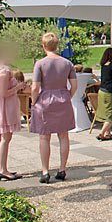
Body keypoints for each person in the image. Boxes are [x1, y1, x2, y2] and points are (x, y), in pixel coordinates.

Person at [31, 32, 77, 184]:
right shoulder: (67, 63)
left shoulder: (40, 63)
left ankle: (45, 171)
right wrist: (67, 96)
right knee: (63, 136)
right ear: (57, 45)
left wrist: (33, 101)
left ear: (43, 45)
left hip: (45, 99)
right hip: (63, 98)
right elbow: (74, 86)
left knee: (44, 136)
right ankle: (62, 169)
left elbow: (35, 87)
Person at [0, 47, 25, 181]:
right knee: (5, 138)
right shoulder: (4, 70)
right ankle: (3, 170)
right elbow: (4, 93)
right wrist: (18, 87)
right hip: (5, 109)